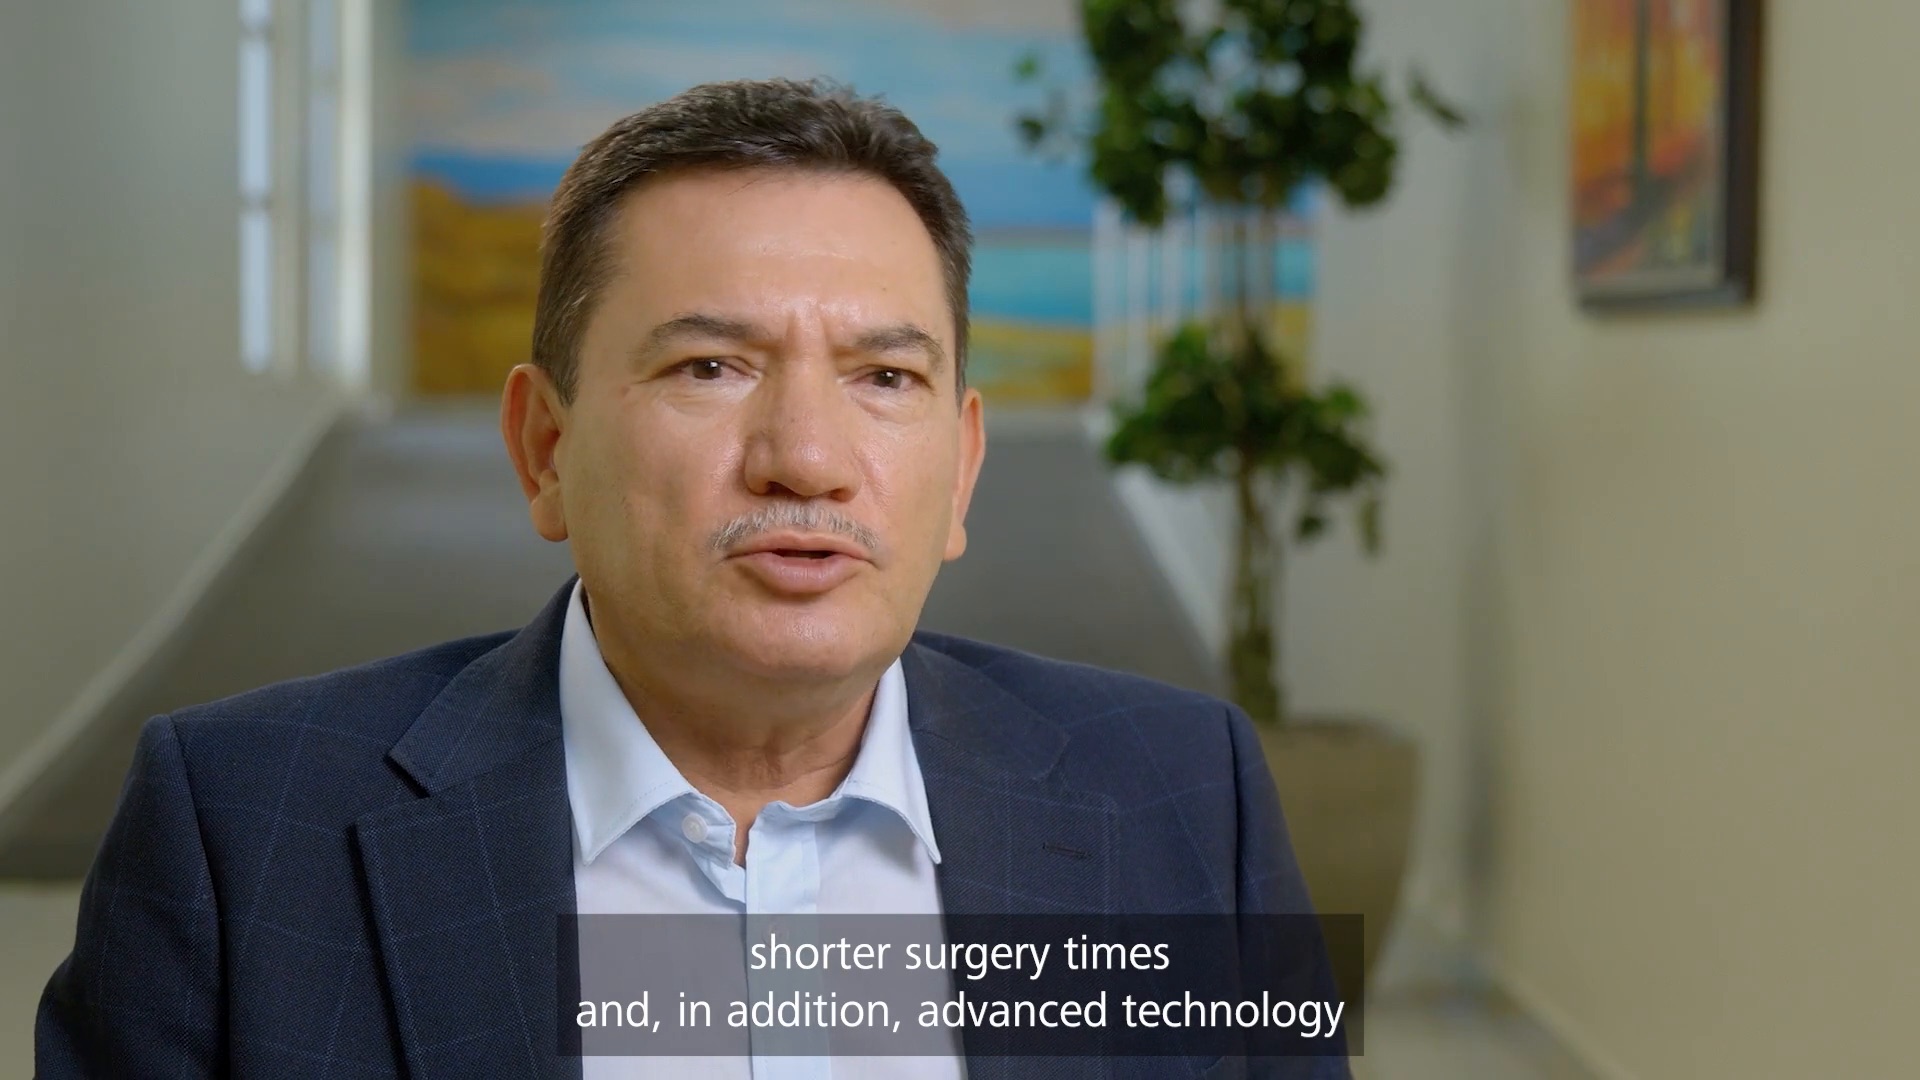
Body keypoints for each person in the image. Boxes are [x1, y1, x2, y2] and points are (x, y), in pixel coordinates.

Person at [36, 78, 1348, 1079]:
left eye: (886, 377)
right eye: (710, 367)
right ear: (545, 451)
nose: (806, 458)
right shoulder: (240, 837)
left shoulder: (1188, 801)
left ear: (961, 469)